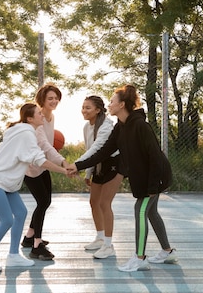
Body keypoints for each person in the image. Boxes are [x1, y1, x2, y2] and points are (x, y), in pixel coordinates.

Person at [67, 85, 177, 272]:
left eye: (112, 101)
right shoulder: (120, 127)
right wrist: (78, 165)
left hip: (155, 178)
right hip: (146, 179)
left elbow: (155, 157)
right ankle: (168, 251)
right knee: (151, 212)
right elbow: (103, 152)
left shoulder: (141, 126)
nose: (109, 105)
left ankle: (140, 258)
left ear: (122, 105)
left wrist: (152, 187)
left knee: (140, 211)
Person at [0, 103, 68, 272]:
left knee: (21, 213)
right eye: (39, 114)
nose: (42, 115)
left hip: (7, 183)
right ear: (30, 118)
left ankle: (13, 255)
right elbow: (39, 160)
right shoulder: (26, 134)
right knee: (7, 220)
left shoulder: (22, 131)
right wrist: (64, 170)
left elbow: (37, 155)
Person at [21, 83, 68, 261]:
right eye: (50, 98)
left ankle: (29, 237)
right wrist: (63, 162)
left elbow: (49, 144)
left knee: (45, 201)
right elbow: (46, 146)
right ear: (42, 100)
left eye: (56, 98)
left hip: (43, 164)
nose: (54, 101)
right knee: (42, 202)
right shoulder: (37, 119)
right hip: (32, 168)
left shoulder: (51, 117)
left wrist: (61, 160)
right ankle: (36, 246)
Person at [76, 95, 123, 259]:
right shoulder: (86, 127)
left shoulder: (106, 126)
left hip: (112, 164)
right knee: (94, 202)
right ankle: (100, 237)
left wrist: (76, 165)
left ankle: (108, 245)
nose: (84, 110)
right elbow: (90, 149)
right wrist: (88, 172)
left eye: (88, 107)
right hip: (98, 164)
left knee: (104, 203)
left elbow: (97, 148)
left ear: (97, 110)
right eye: (83, 107)